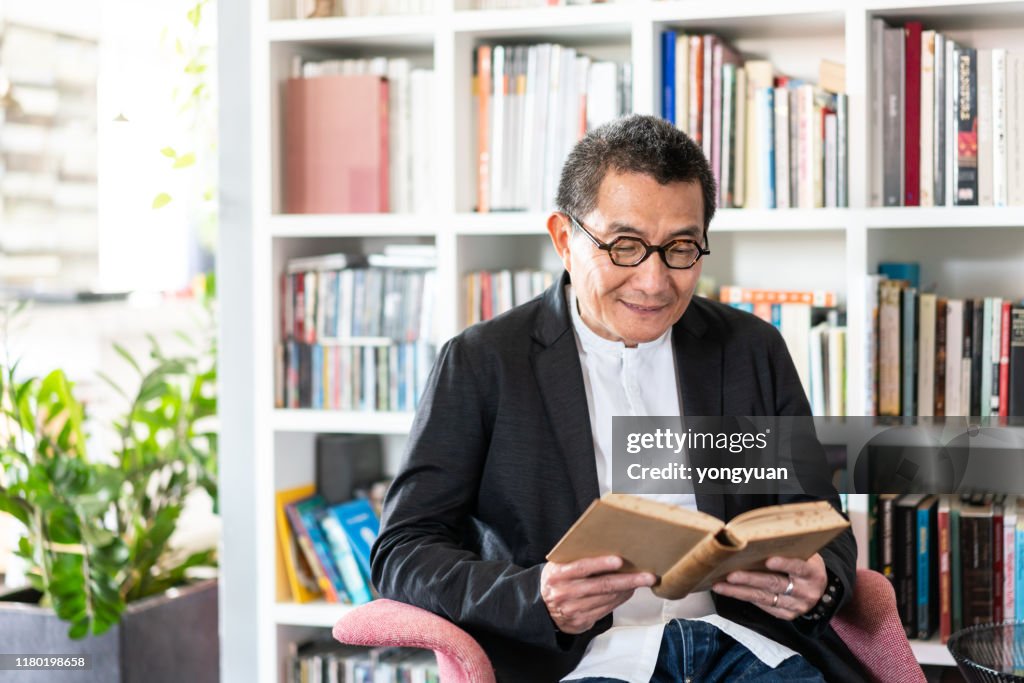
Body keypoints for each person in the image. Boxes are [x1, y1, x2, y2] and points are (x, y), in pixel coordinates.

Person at [370, 114, 865, 682]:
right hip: (581, 662)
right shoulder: (483, 362)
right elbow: (403, 551)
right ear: (564, 239)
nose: (655, 282)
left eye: (681, 248)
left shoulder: (750, 349)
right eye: (625, 246)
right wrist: (536, 595)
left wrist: (818, 581)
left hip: (744, 646)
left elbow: (824, 520)